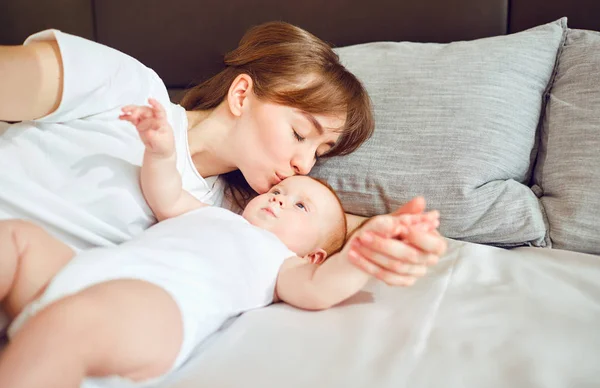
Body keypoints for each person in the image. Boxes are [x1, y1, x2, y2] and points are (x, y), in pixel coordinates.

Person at [0, 98, 441, 388]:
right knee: (16, 238)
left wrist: (362, 253)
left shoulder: (283, 265)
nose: (280, 197)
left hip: (154, 311)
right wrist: (158, 150)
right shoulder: (210, 213)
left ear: (314, 255)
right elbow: (166, 192)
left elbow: (320, 289)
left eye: (300, 205)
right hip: (83, 272)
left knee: (69, 325)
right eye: (283, 190)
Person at [0, 21, 446, 289]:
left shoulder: (232, 219)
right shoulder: (128, 87)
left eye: (319, 151)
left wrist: (396, 232)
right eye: (298, 133)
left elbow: (326, 228)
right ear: (241, 93)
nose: (305, 165)